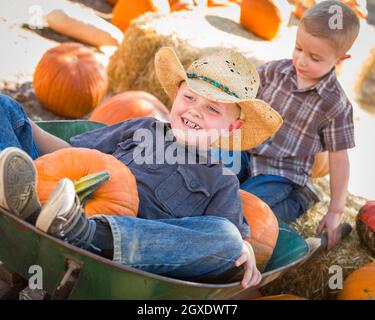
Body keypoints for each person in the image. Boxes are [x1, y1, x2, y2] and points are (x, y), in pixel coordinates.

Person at [0, 47, 282, 288]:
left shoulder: (221, 180)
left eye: (213, 109)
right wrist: (23, 124)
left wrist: (243, 247)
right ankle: (18, 196)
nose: (196, 109)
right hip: (57, 197)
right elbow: (74, 156)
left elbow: (222, 247)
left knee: (228, 239)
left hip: (117, 254)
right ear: (175, 95)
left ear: (233, 127)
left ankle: (85, 233)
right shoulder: (142, 128)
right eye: (190, 97)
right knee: (5, 106)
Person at [236, 0, 359, 251]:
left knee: (246, 210)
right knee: (210, 175)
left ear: (341, 59)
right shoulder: (272, 72)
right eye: (298, 48)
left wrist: (335, 211)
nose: (301, 61)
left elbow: (338, 160)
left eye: (314, 57)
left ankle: (301, 197)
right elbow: (241, 102)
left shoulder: (336, 105)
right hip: (246, 152)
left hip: (281, 172)